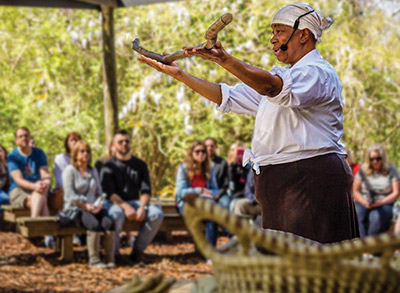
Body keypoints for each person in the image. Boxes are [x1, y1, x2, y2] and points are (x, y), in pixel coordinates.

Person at [139, 3, 359, 243]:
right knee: (287, 270)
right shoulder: (287, 79)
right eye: (272, 33)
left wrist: (224, 59)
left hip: (308, 180)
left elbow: (270, 86)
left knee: (316, 269)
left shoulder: (316, 73)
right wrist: (180, 74)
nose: (273, 40)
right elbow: (228, 96)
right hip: (285, 183)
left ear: (304, 34)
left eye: (280, 32)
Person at [101, 130, 164, 263]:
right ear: (114, 145)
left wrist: (142, 207)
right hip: (114, 203)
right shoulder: (107, 166)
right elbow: (110, 194)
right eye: (120, 142)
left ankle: (138, 251)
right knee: (116, 214)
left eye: (127, 141)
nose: (124, 144)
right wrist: (125, 207)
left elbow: (146, 191)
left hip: (135, 202)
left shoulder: (140, 165)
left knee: (157, 213)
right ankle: (115, 254)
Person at [62, 141, 115, 268]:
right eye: (82, 151)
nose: (86, 154)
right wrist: (85, 206)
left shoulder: (93, 170)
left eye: (88, 151)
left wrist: (99, 204)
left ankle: (110, 258)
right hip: (76, 209)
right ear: (75, 154)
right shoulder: (70, 170)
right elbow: (70, 195)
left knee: (109, 222)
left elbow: (100, 192)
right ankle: (94, 260)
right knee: (94, 225)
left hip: (93, 207)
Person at [7, 127, 55, 247]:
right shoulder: (13, 156)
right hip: (18, 190)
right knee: (41, 197)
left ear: (30, 137)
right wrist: (35, 186)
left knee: (40, 195)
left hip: (38, 188)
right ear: (16, 140)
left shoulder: (39, 153)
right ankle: (48, 236)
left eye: (26, 135)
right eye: (21, 136)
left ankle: (34, 225)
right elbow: (18, 180)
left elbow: (44, 173)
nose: (24, 138)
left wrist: (46, 182)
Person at [175, 140, 219, 246]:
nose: (201, 154)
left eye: (203, 151)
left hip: (204, 202)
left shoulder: (210, 168)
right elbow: (180, 192)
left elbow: (214, 189)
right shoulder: (183, 168)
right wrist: (198, 190)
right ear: (191, 153)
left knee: (213, 219)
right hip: (187, 202)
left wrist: (210, 193)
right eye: (197, 151)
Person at [353, 144, 399, 237]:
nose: (375, 162)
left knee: (375, 217)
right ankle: (363, 245)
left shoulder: (392, 170)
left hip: (384, 203)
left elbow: (396, 192)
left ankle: (370, 247)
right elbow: (355, 190)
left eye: (378, 159)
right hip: (364, 201)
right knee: (356, 214)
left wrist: (381, 202)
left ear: (383, 158)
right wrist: (364, 202)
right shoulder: (362, 170)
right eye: (372, 159)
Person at [204, 138, 229, 209]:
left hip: (220, 194)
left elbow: (225, 183)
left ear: (216, 147)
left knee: (225, 204)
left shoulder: (222, 163)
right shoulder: (200, 163)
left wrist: (218, 195)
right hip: (204, 193)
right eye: (207, 146)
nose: (209, 148)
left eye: (212, 146)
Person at [227, 142, 249, 212]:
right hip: (234, 193)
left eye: (242, 152)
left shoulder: (248, 166)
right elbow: (231, 181)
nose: (240, 154)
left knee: (233, 206)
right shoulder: (232, 166)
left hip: (244, 193)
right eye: (238, 152)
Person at [0, 144, 10, 216]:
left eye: (0, 151)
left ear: (4, 152)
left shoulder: (11, 163)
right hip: (1, 190)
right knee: (5, 199)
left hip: (10, 189)